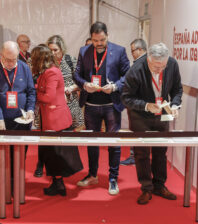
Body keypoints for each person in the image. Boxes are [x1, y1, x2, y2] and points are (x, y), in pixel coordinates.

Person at [121, 43, 183, 205]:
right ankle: (146, 188)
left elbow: (177, 89)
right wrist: (146, 106)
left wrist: (175, 105)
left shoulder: (172, 64)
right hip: (140, 116)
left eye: (163, 66)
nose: (160, 70)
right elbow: (126, 98)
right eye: (156, 67)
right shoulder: (136, 70)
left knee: (160, 152)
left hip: (162, 113)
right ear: (148, 60)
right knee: (141, 153)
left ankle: (159, 185)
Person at [74, 21, 130, 195]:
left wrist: (115, 86)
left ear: (107, 35)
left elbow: (128, 74)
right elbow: (76, 74)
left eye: (102, 40)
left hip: (111, 104)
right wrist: (84, 85)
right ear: (91, 38)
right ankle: (92, 174)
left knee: (113, 142)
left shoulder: (119, 51)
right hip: (91, 104)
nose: (99, 43)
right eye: (95, 40)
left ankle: (113, 178)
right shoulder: (84, 51)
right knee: (92, 142)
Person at [0, 41, 36, 201]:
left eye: (14, 60)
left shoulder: (24, 67)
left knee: (19, 156)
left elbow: (31, 92)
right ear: (1, 55)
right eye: (7, 60)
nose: (11, 64)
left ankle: (15, 187)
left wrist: (30, 109)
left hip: (21, 122)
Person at [31, 44, 83, 196]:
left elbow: (49, 96)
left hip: (55, 119)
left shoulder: (52, 72)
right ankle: (57, 183)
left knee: (55, 154)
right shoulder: (47, 71)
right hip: (51, 118)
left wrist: (35, 94)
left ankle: (58, 184)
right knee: (52, 154)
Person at [121, 38, 147, 166]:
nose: (132, 53)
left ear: (140, 49)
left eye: (133, 51)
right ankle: (136, 156)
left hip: (137, 105)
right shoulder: (144, 63)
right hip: (139, 105)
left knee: (137, 133)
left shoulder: (141, 64)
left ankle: (136, 157)